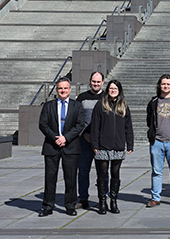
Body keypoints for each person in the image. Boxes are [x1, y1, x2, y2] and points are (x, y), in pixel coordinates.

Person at [38, 77, 86, 217]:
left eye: (65, 88)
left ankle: (70, 205)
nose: (63, 90)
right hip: (51, 146)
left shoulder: (77, 106)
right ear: (57, 90)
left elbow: (80, 125)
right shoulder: (48, 106)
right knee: (50, 177)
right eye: (60, 88)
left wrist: (66, 138)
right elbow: (43, 124)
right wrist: (55, 138)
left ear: (70, 90)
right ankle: (47, 206)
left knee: (70, 178)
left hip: (70, 146)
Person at [90, 80, 134, 214]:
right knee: (102, 174)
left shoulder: (124, 106)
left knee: (115, 173)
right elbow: (95, 126)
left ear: (119, 90)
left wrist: (130, 143)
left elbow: (128, 127)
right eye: (111, 88)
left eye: (115, 88)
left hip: (118, 146)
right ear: (107, 90)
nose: (113, 90)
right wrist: (94, 144)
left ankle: (113, 201)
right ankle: (102, 201)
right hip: (103, 146)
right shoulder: (100, 105)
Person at [146, 74, 170, 208]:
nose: (166, 86)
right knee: (156, 171)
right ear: (159, 85)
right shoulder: (153, 101)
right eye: (163, 84)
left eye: (168, 84)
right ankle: (156, 198)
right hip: (157, 141)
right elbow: (149, 120)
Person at [76, 71, 105, 210]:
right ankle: (83, 198)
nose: (96, 84)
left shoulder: (106, 97)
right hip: (84, 140)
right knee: (83, 171)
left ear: (103, 83)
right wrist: (84, 134)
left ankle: (103, 198)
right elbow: (77, 118)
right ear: (90, 81)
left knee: (103, 172)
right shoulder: (82, 97)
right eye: (94, 81)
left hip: (101, 142)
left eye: (98, 82)